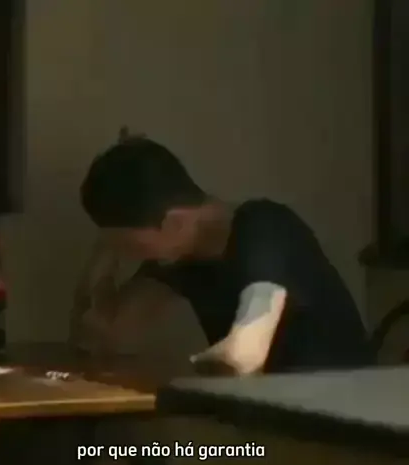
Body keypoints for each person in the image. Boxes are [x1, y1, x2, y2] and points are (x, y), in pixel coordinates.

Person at [75, 130, 376, 376]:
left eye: (130, 246)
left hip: (338, 412)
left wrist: (192, 369)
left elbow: (244, 355)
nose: (130, 255)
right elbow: (103, 336)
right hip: (266, 409)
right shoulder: (179, 255)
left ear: (175, 223)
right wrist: (105, 249)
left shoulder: (264, 229)